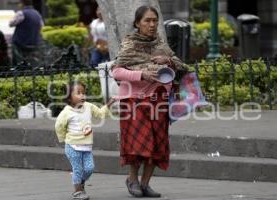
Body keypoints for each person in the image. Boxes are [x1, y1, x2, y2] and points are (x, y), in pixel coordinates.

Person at [111, 6, 188, 198]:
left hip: (159, 101)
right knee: (138, 144)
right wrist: (142, 74)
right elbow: (117, 71)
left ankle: (145, 184)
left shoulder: (161, 44)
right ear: (137, 23)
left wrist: (168, 61)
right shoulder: (130, 44)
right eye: (147, 20)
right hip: (134, 101)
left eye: (155, 20)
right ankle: (132, 179)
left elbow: (182, 67)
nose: (152, 24)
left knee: (156, 144)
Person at [55, 81, 115, 200]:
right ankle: (78, 191)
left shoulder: (89, 106)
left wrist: (109, 104)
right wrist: (63, 138)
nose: (82, 95)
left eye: (83, 93)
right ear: (69, 97)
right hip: (72, 146)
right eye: (78, 93)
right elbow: (59, 126)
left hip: (86, 146)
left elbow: (100, 114)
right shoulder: (66, 112)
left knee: (89, 168)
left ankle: (80, 183)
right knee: (77, 169)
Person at [9, 0, 44, 65]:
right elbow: (41, 25)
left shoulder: (21, 13)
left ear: (22, 3)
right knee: (31, 61)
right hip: (34, 42)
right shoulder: (37, 14)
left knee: (17, 60)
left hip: (20, 43)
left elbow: (11, 24)